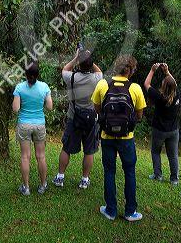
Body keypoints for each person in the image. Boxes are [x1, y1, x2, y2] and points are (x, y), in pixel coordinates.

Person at [92, 55, 146, 222]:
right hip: (127, 137)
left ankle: (110, 210)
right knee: (129, 172)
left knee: (109, 171)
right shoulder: (135, 88)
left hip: (107, 136)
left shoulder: (103, 84)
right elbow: (139, 114)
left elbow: (97, 107)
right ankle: (130, 212)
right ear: (129, 70)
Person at [53, 49, 102, 189]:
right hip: (91, 119)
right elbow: (98, 71)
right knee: (89, 151)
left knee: (66, 148)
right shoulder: (96, 79)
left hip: (74, 117)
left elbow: (65, 69)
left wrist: (76, 58)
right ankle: (85, 179)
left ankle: (60, 177)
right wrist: (88, 57)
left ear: (79, 65)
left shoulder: (72, 77)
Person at [13, 62, 53, 195]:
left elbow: (16, 109)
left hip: (24, 124)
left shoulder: (19, 87)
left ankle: (26, 188)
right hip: (39, 124)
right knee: (41, 156)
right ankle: (42, 186)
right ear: (37, 75)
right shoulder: (44, 87)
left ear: (25, 74)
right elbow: (49, 107)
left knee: (25, 157)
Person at [144, 63, 180, 185]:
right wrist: (167, 71)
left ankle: (158, 175)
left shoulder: (159, 96)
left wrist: (152, 70)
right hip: (173, 130)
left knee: (155, 152)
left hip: (159, 130)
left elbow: (146, 84)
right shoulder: (177, 94)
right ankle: (174, 179)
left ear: (163, 86)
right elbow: (173, 83)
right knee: (173, 155)